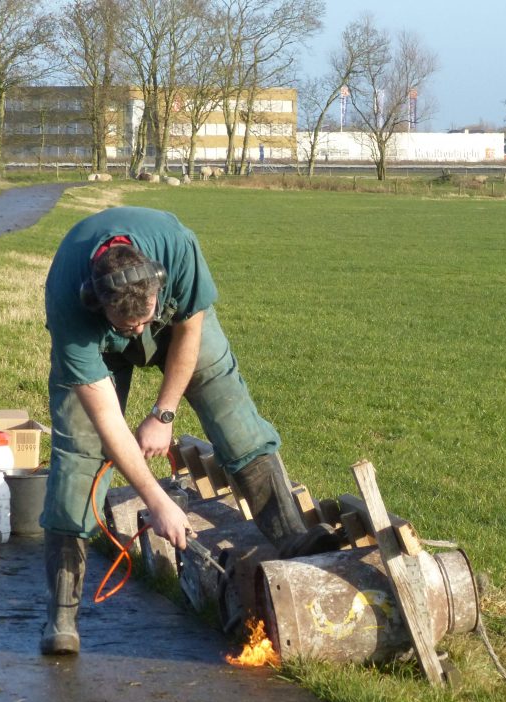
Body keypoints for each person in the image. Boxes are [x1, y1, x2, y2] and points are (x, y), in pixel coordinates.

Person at [40, 206, 340, 656]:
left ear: (158, 285)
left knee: (234, 418)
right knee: (79, 458)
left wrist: (163, 414)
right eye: (128, 326)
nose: (138, 332)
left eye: (144, 319)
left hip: (178, 328)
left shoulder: (177, 248)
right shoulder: (69, 301)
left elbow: (189, 332)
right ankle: (62, 616)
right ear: (96, 302)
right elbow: (106, 421)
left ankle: (293, 539)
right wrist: (157, 502)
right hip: (95, 343)